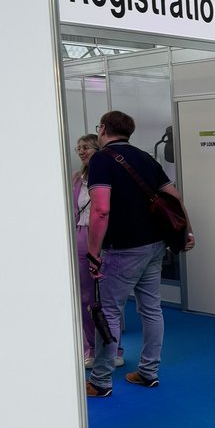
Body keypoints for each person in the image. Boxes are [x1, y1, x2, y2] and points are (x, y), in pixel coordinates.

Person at [85, 110, 195, 397]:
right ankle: (148, 372)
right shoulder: (145, 158)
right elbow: (175, 197)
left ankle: (100, 381)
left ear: (103, 129)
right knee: (151, 309)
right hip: (155, 245)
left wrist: (93, 253)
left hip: (123, 248)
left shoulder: (101, 160)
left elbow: (101, 209)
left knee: (109, 311)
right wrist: (188, 232)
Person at [72, 134, 124, 369]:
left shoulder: (109, 174)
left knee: (108, 297)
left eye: (86, 147)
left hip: (104, 236)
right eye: (79, 148)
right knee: (86, 296)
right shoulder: (77, 179)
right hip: (81, 235)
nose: (81, 151)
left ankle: (115, 349)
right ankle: (91, 349)